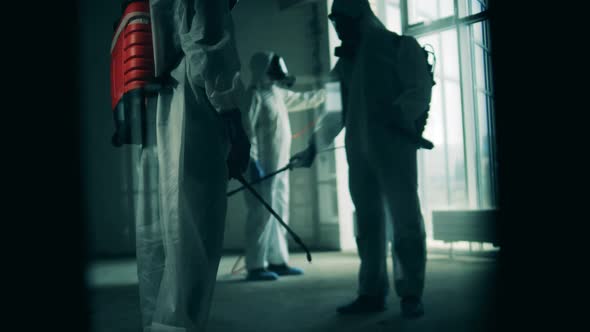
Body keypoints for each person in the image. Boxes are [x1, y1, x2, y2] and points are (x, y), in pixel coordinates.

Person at [290, 0, 432, 319]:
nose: (337, 26)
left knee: (405, 219)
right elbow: (332, 116)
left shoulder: (400, 46)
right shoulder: (342, 67)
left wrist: (399, 116)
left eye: (341, 19)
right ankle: (371, 292)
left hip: (395, 151)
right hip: (360, 155)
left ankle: (411, 293)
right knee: (368, 223)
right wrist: (313, 148)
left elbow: (419, 89)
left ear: (360, 17)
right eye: (333, 20)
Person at [133, 0, 251, 331]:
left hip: (162, 106)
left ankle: (160, 324)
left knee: (165, 233)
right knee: (194, 234)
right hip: (195, 108)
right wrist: (235, 127)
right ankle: (180, 325)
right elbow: (211, 50)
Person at [243, 51, 326, 281]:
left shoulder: (277, 94)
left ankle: (278, 261)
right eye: (272, 71)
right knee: (261, 215)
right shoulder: (254, 96)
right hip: (260, 169)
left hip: (280, 168)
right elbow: (246, 133)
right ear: (263, 70)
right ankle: (256, 265)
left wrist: (330, 92)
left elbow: (304, 99)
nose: (276, 76)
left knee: (280, 211)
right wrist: (252, 163)